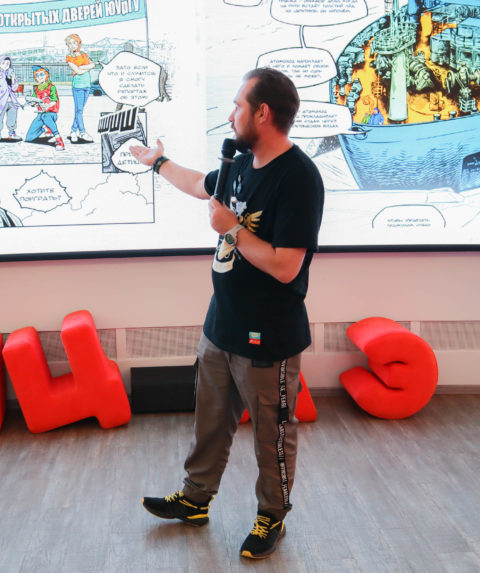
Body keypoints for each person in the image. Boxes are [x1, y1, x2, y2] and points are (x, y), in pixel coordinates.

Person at [130, 67, 324, 560]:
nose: (231, 113)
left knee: (272, 434)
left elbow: (286, 266)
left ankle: (271, 516)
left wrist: (233, 229)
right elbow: (201, 185)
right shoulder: (240, 162)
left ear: (263, 113)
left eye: (239, 104)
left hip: (269, 336)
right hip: (221, 324)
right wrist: (158, 162)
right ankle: (195, 500)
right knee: (211, 422)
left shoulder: (299, 178)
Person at [24, 66, 65, 151]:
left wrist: (48, 105)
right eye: (37, 75)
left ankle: (58, 139)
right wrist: (31, 102)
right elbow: (34, 100)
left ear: (46, 75)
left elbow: (54, 100)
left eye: (42, 74)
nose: (39, 77)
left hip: (50, 113)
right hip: (40, 114)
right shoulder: (36, 88)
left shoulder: (51, 87)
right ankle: (46, 128)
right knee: (29, 138)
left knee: (45, 117)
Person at [64, 34, 95, 143]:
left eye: (74, 42)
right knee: (79, 110)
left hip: (87, 85)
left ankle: (73, 131)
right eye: (69, 43)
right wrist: (85, 68)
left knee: (79, 110)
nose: (72, 45)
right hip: (78, 86)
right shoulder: (69, 57)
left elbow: (93, 65)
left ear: (78, 43)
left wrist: (81, 67)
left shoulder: (84, 54)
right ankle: (82, 132)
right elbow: (78, 71)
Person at [0, 55, 21, 139]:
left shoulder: (10, 74)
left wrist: (13, 79)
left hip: (11, 100)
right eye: (3, 63)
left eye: (8, 63)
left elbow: (14, 88)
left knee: (12, 117)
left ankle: (12, 132)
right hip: (1, 101)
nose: (6, 65)